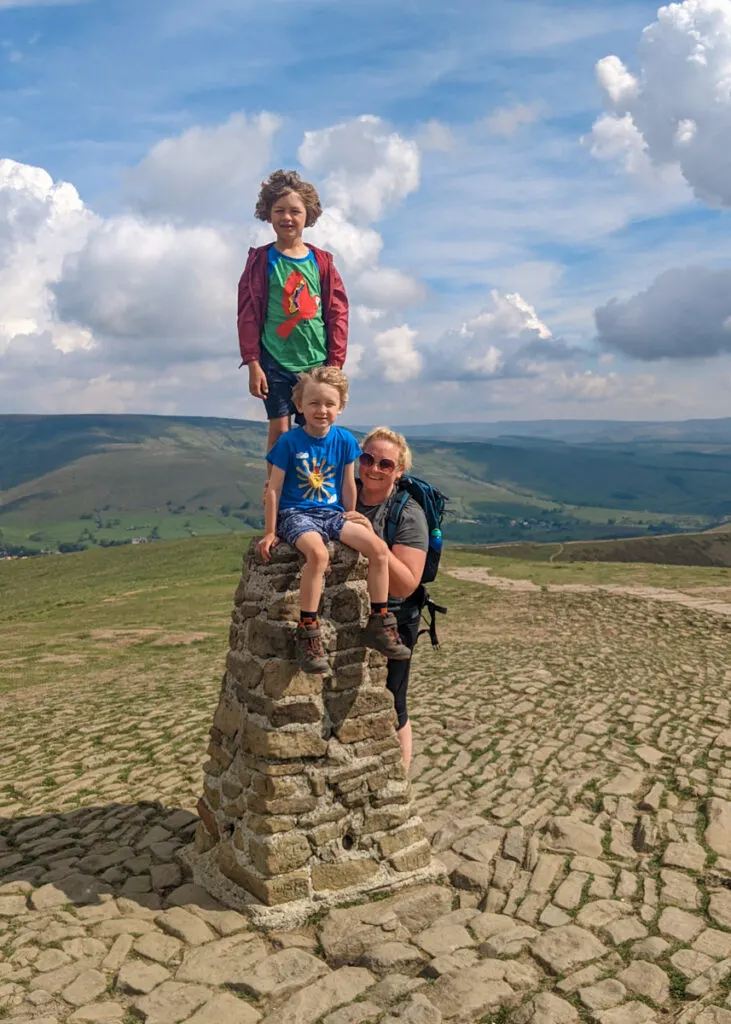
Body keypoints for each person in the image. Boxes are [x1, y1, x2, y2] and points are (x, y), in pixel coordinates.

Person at [257, 367, 411, 673]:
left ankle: (379, 621)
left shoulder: (344, 440)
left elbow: (347, 484)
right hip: (295, 513)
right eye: (313, 403)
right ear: (299, 406)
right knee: (318, 553)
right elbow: (273, 489)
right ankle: (308, 630)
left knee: (378, 549)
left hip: (332, 514)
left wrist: (350, 514)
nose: (321, 410)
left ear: (340, 407)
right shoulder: (289, 442)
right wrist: (270, 531)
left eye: (329, 403)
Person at [237, 169, 349, 462]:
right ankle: (276, 493)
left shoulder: (320, 261)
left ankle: (312, 489)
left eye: (295, 211)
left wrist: (335, 364)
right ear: (268, 214)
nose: (287, 217)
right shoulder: (261, 261)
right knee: (279, 429)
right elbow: (247, 314)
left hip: (315, 362)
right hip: (274, 359)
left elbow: (337, 312)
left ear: (308, 215)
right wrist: (253, 362)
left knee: (316, 430)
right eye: (279, 210)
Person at [344, 427, 428, 773]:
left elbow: (407, 584)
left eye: (385, 463)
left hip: (394, 618)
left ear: (399, 471)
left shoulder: (408, 515)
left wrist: (371, 539)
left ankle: (399, 780)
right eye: (367, 459)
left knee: (394, 703)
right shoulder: (344, 492)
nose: (373, 468)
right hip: (349, 615)